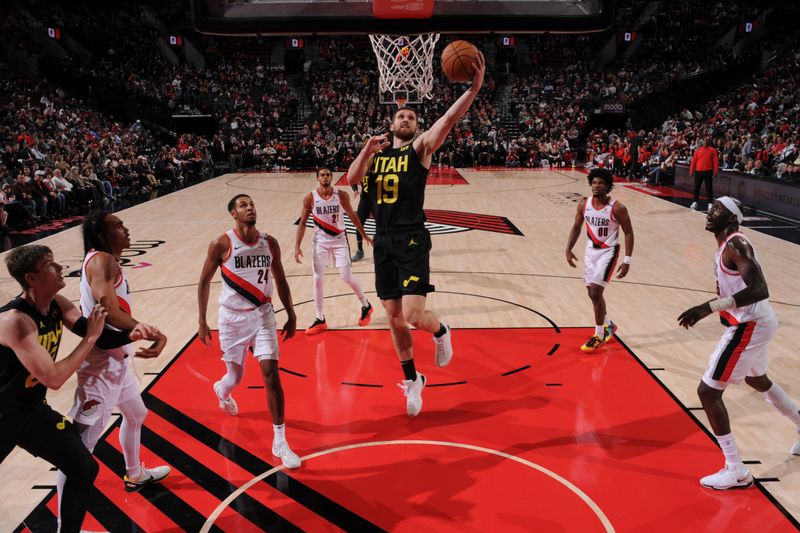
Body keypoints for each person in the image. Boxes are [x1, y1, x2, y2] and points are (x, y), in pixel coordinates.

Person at [346, 52, 486, 416]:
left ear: (415, 126)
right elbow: (351, 180)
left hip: (411, 238)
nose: (405, 119)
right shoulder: (375, 156)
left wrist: (473, 88)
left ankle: (440, 331)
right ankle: (413, 379)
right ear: (391, 124)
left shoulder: (420, 148)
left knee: (411, 314)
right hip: (383, 241)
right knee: (392, 317)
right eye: (400, 116)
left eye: (411, 116)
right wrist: (365, 149)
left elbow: (450, 118)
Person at [0, 245, 156, 533]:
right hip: (2, 415)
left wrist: (129, 334)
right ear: (31, 278)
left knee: (83, 467)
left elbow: (92, 333)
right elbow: (55, 378)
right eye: (50, 264)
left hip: (31, 411)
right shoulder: (14, 321)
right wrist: (92, 338)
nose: (60, 268)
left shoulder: (56, 303)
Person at [678, 197, 800, 490]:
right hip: (755, 321)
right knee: (759, 381)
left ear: (732, 218)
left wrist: (710, 307)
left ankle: (736, 470)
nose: (710, 212)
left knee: (708, 392)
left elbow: (760, 288)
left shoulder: (736, 244)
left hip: (750, 325)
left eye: (717, 210)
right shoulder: (726, 244)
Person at [56, 212, 170, 509]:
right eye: (118, 226)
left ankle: (135, 474)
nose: (126, 228)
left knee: (137, 414)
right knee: (79, 451)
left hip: (117, 358)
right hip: (101, 366)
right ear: (102, 234)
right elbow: (109, 309)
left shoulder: (103, 260)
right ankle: (63, 528)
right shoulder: (102, 260)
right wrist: (144, 330)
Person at [197, 194, 301, 468]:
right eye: (243, 205)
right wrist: (201, 321)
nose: (250, 207)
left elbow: (281, 280)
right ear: (233, 213)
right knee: (236, 376)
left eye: (251, 204)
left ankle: (280, 441)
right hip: (231, 320)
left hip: (263, 316)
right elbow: (204, 282)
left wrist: (291, 313)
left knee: (270, 373)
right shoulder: (221, 243)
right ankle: (223, 391)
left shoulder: (270, 243)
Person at [294, 167, 373, 334]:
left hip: (339, 241)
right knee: (317, 279)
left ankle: (366, 305)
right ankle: (320, 318)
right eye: (322, 175)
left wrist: (364, 235)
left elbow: (353, 215)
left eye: (328, 175)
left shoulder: (341, 195)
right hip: (320, 243)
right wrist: (297, 246)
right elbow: (302, 223)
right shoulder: (310, 197)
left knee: (346, 276)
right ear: (317, 178)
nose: (325, 177)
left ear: (331, 177)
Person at [566, 168, 634, 353]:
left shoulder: (617, 207)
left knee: (596, 292)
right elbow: (576, 226)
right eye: (594, 182)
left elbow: (628, 232)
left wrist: (627, 260)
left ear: (608, 186)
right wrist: (568, 248)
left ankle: (599, 335)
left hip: (609, 252)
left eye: (601, 183)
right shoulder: (583, 204)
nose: (596, 186)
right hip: (590, 252)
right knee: (591, 293)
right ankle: (608, 325)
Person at [689, 137, 719, 211]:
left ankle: (710, 203)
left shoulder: (713, 150)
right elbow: (694, 161)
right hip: (698, 171)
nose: (705, 142)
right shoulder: (698, 150)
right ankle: (695, 202)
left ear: (709, 142)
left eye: (706, 141)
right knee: (696, 188)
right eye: (704, 140)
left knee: (709, 188)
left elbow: (715, 162)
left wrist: (715, 172)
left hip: (708, 171)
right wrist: (691, 171)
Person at [350, 174, 371, 262]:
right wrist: (355, 189)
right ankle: (360, 251)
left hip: (379, 200)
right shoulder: (363, 166)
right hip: (365, 199)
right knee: (358, 223)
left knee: (383, 225)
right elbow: (352, 177)